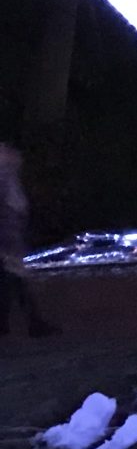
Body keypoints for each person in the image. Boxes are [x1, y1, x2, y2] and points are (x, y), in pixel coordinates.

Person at [0, 143, 56, 338]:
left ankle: (11, 321)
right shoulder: (5, 157)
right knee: (14, 271)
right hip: (7, 220)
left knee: (10, 272)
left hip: (10, 218)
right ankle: (33, 321)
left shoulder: (7, 157)